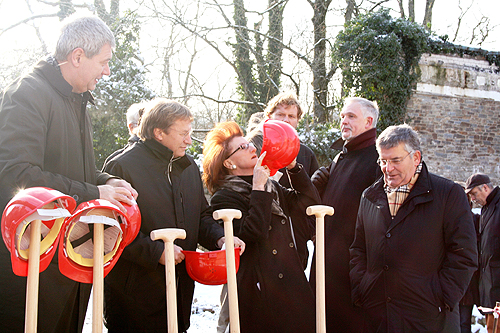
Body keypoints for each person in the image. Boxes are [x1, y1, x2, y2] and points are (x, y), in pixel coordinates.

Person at [0, 15, 137, 333]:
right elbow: (16, 174)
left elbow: (69, 169)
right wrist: (95, 194)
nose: (107, 71)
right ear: (77, 56)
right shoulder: (27, 94)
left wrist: (105, 181)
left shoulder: (76, 100)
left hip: (67, 265)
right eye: (103, 62)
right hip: (30, 269)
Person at [102, 98, 244, 333]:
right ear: (159, 133)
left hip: (179, 293)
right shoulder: (122, 167)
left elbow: (200, 215)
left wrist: (220, 238)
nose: (189, 140)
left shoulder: (187, 166)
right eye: (183, 134)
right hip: (133, 298)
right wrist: (156, 251)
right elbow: (110, 230)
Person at [350, 124, 478, 332]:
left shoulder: (448, 194)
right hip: (378, 317)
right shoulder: (370, 196)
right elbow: (358, 249)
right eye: (383, 161)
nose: (387, 168)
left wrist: (440, 297)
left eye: (395, 160)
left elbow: (464, 254)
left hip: (430, 319)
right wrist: (363, 287)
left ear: (416, 157)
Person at [202, 121, 319, 333]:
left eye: (249, 143)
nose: (252, 148)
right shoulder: (224, 198)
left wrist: (293, 168)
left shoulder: (270, 185)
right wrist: (258, 189)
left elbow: (309, 202)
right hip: (260, 292)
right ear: (229, 163)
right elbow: (253, 234)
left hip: (292, 287)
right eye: (243, 147)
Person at [309, 96, 381, 332]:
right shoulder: (341, 156)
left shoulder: (378, 160)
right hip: (325, 259)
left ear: (369, 121)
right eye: (342, 116)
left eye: (351, 116)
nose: (344, 121)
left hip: (353, 265)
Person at [263, 91, 319, 268]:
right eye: (280, 114)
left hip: (296, 241)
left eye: (291, 116)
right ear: (269, 117)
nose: (286, 120)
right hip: (262, 239)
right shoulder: (253, 149)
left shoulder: (306, 154)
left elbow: (314, 196)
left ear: (297, 121)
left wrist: (309, 230)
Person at [465, 173, 500, 333]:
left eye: (474, 194)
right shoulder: (486, 210)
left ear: (485, 188)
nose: (472, 199)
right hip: (489, 289)